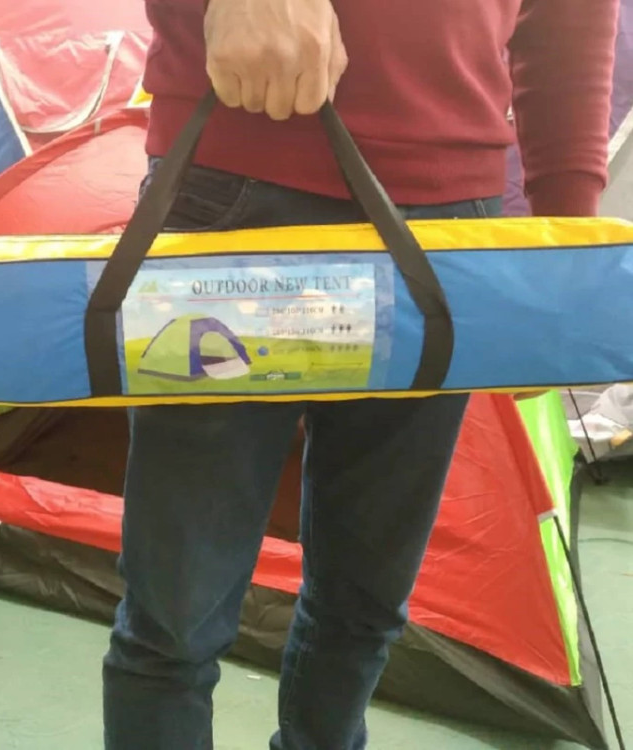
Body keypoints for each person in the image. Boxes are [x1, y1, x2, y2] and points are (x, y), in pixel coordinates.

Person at [103, 0, 619, 747]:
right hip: (237, 180)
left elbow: (570, 16)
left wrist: (565, 242)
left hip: (444, 217)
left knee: (365, 607)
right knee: (174, 618)